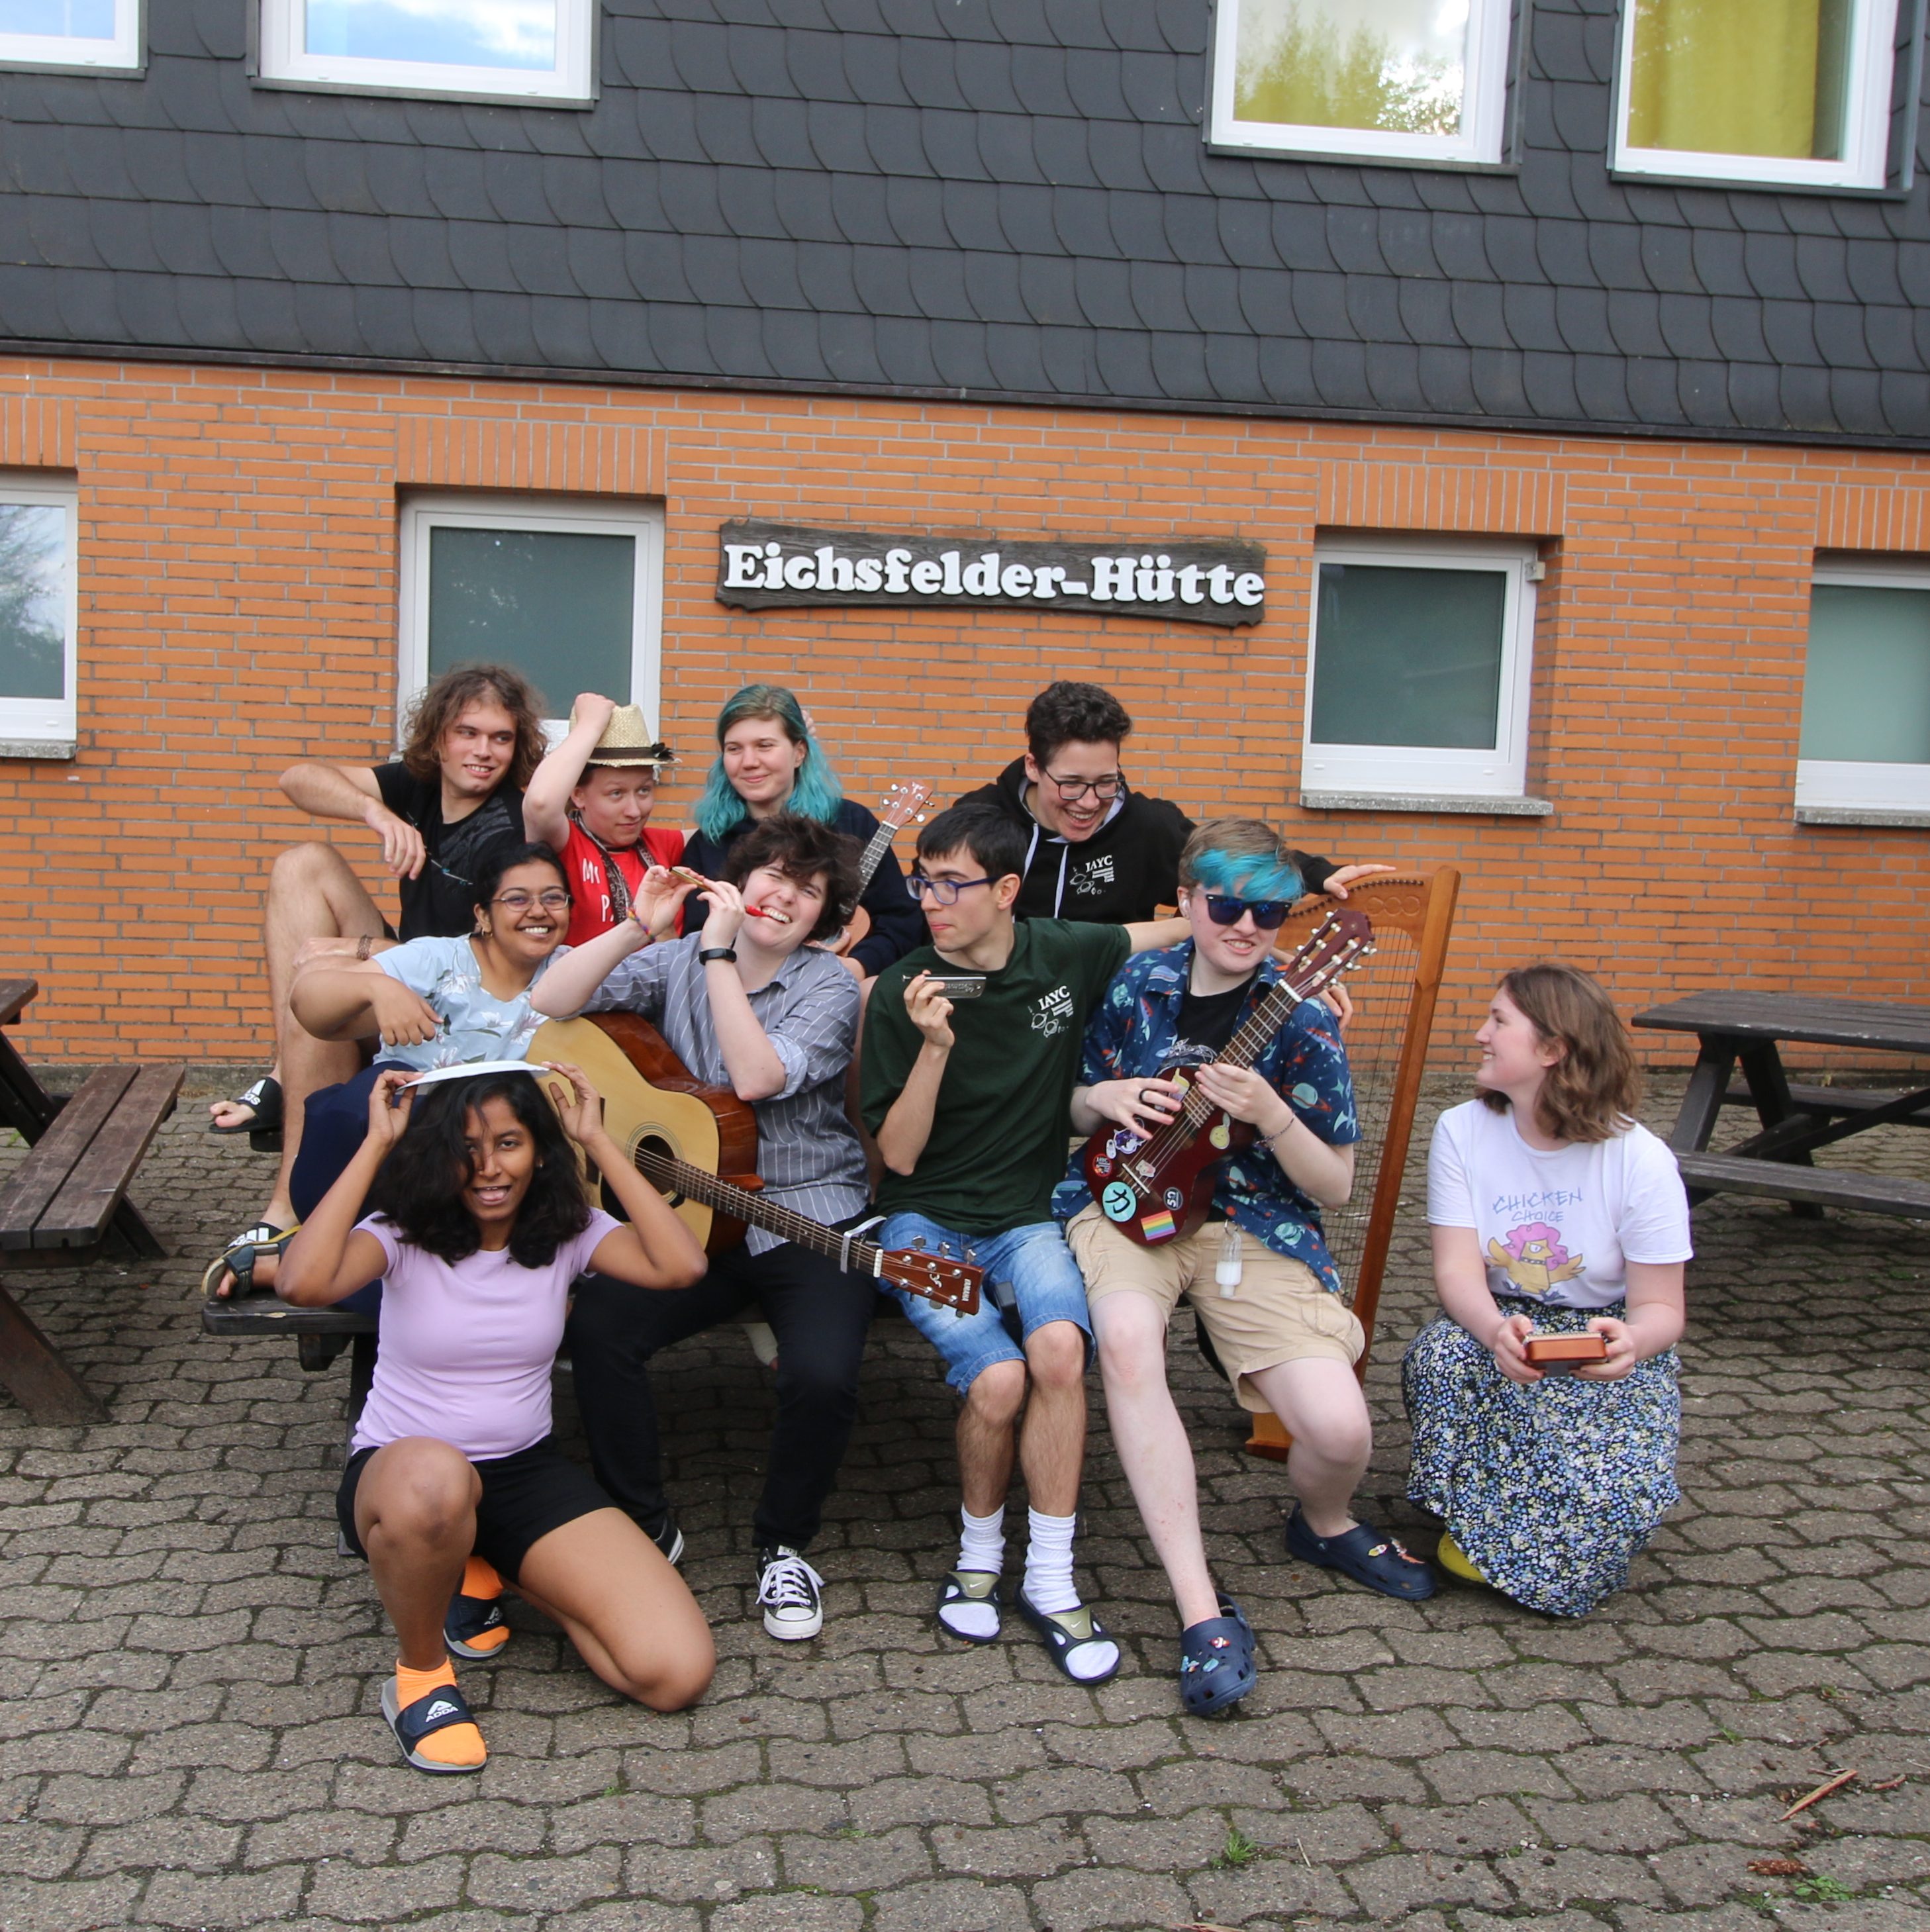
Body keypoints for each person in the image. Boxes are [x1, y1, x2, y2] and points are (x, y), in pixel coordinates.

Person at [1053, 818, 1433, 1715]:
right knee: (1125, 1343)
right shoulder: (1136, 984)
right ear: (1186, 899)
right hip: (1126, 1203)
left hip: (1247, 1222)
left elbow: (1333, 1184)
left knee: (1340, 1433)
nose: (1244, 924)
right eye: (1224, 903)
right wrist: (1097, 1097)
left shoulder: (1298, 1016)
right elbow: (1071, 1106)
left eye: (1266, 909)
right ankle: (1197, 1607)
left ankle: (1324, 1522)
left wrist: (1270, 1113)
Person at [277, 1061, 713, 1774]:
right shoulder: (403, 1230)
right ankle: (420, 1675)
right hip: (403, 1472)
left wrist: (597, 1140)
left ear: (538, 1148)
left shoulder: (566, 1229)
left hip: (520, 1471)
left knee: (673, 1670)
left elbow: (680, 1266)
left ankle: (483, 1556)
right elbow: (301, 1279)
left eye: (508, 1142)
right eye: (466, 1146)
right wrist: (375, 1142)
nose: (487, 1167)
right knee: (436, 1480)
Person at [859, 801, 1187, 1686]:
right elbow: (894, 1158)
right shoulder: (903, 990)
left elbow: (1164, 930)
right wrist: (932, 1049)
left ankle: (1048, 1573)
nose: (928, 900)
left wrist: (1279, 932)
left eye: (950, 883)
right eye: (922, 881)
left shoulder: (1058, 952)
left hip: (1026, 1214)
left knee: (1054, 1350)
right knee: (998, 1375)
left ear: (1005, 890)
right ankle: (976, 1555)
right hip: (922, 1219)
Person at [530, 814, 875, 1640]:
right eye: (771, 875)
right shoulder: (671, 959)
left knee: (823, 1375)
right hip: (688, 1214)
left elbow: (755, 1077)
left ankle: (783, 1545)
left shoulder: (826, 983)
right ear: (739, 879)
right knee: (603, 1335)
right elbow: (548, 999)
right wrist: (635, 926)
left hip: (804, 1211)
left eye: (807, 888)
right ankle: (643, 1521)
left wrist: (718, 953)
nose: (782, 896)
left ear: (823, 913)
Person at [209, 664, 546, 1243]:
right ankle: (286, 1072)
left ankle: (288, 1208)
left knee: (328, 983)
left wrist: (360, 950)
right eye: (468, 733)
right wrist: (375, 811)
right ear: (439, 737)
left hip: (455, 1006)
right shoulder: (417, 785)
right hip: (412, 969)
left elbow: (484, 960)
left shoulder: (507, 828)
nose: (483, 751)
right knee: (304, 865)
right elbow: (297, 777)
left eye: (501, 738)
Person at [1404, 963, 1692, 1618]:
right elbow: (1455, 1273)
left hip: (1602, 1336)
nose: (1479, 1033)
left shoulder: (1639, 1158)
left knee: (1603, 1510)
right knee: (1440, 1352)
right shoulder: (1460, 1129)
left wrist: (1633, 1341)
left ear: (1551, 1049)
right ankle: (1483, 1523)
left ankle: (1528, 1528)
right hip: (1504, 1325)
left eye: (1498, 1021)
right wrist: (1491, 1329)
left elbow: (1662, 1309)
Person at [953, 680, 1385, 923]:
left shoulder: (1147, 826)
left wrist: (1318, 873)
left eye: (1106, 782)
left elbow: (1229, 858)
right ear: (1032, 766)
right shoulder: (977, 822)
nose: (1089, 802)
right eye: (1070, 784)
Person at [679, 683, 922, 980]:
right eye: (734, 749)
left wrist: (857, 966)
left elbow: (902, 920)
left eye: (765, 746)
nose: (749, 762)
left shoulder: (851, 823)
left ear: (799, 753)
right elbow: (697, 937)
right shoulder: (711, 841)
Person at [523, 693, 683, 947]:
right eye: (616, 793)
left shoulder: (664, 844)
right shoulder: (565, 845)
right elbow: (540, 802)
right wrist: (591, 725)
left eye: (644, 790)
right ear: (578, 795)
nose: (634, 811)